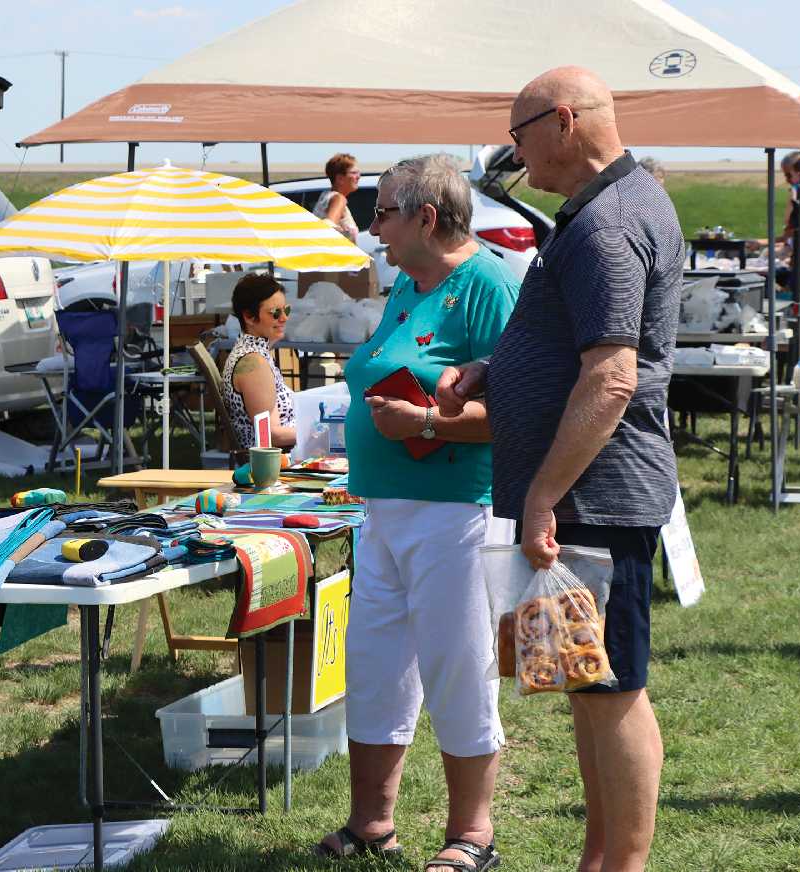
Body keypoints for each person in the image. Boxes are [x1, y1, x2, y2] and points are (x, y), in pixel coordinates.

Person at [437, 66, 683, 872]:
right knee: (586, 678)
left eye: (520, 133)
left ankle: (625, 863)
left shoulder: (609, 221)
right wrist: (495, 367)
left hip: (595, 494)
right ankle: (599, 856)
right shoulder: (600, 209)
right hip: (589, 492)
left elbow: (611, 374)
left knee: (611, 688)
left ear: (564, 121)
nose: (514, 153)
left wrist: (544, 492)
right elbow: (575, 345)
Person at [314, 154, 518, 872]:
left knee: (458, 666)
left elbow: (522, 410)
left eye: (383, 213)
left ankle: (474, 834)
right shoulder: (409, 282)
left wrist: (426, 425)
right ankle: (372, 823)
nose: (373, 228)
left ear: (426, 218)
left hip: (457, 510)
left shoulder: (490, 284)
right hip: (388, 510)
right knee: (375, 666)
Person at [221, 274, 296, 450]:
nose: (284, 318)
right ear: (249, 317)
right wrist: (325, 434)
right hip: (276, 465)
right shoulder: (254, 364)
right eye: (276, 313)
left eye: (286, 310)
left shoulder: (253, 353)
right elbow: (270, 435)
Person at [314, 153, 361, 242]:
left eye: (358, 173)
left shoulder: (326, 196)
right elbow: (328, 225)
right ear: (339, 178)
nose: (358, 177)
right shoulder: (338, 199)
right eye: (353, 173)